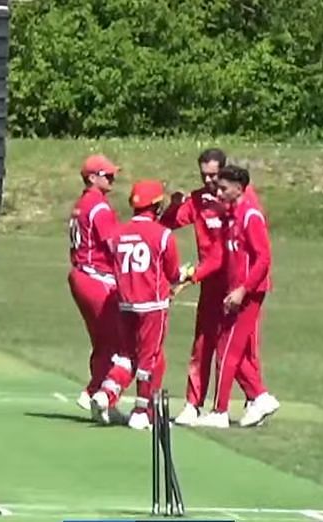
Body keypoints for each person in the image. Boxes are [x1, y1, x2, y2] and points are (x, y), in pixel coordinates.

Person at [92, 180, 181, 430]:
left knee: (126, 357)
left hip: (125, 304)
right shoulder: (162, 235)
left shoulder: (118, 234)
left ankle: (106, 393)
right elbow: (172, 272)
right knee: (148, 360)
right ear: (156, 205)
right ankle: (143, 411)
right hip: (152, 306)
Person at [196, 165, 280, 429]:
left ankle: (220, 411)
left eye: (223, 188)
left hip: (248, 294)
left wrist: (243, 289)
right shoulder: (232, 216)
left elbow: (263, 258)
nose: (218, 193)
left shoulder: (250, 216)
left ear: (239, 188)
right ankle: (260, 397)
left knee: (227, 351)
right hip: (235, 292)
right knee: (235, 351)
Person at [159, 148, 230, 425]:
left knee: (236, 349)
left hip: (233, 281)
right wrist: (175, 204)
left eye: (214, 174)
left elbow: (223, 254)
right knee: (202, 344)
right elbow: (166, 225)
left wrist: (188, 278)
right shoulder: (199, 199)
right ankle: (193, 403)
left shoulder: (234, 201)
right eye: (204, 175)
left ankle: (252, 399)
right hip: (209, 281)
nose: (209, 180)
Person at [67, 155, 124, 416]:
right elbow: (114, 245)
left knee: (102, 342)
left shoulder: (82, 203)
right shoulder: (99, 207)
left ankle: (102, 401)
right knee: (117, 340)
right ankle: (94, 392)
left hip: (81, 275)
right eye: (107, 175)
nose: (112, 179)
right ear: (92, 177)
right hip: (96, 277)